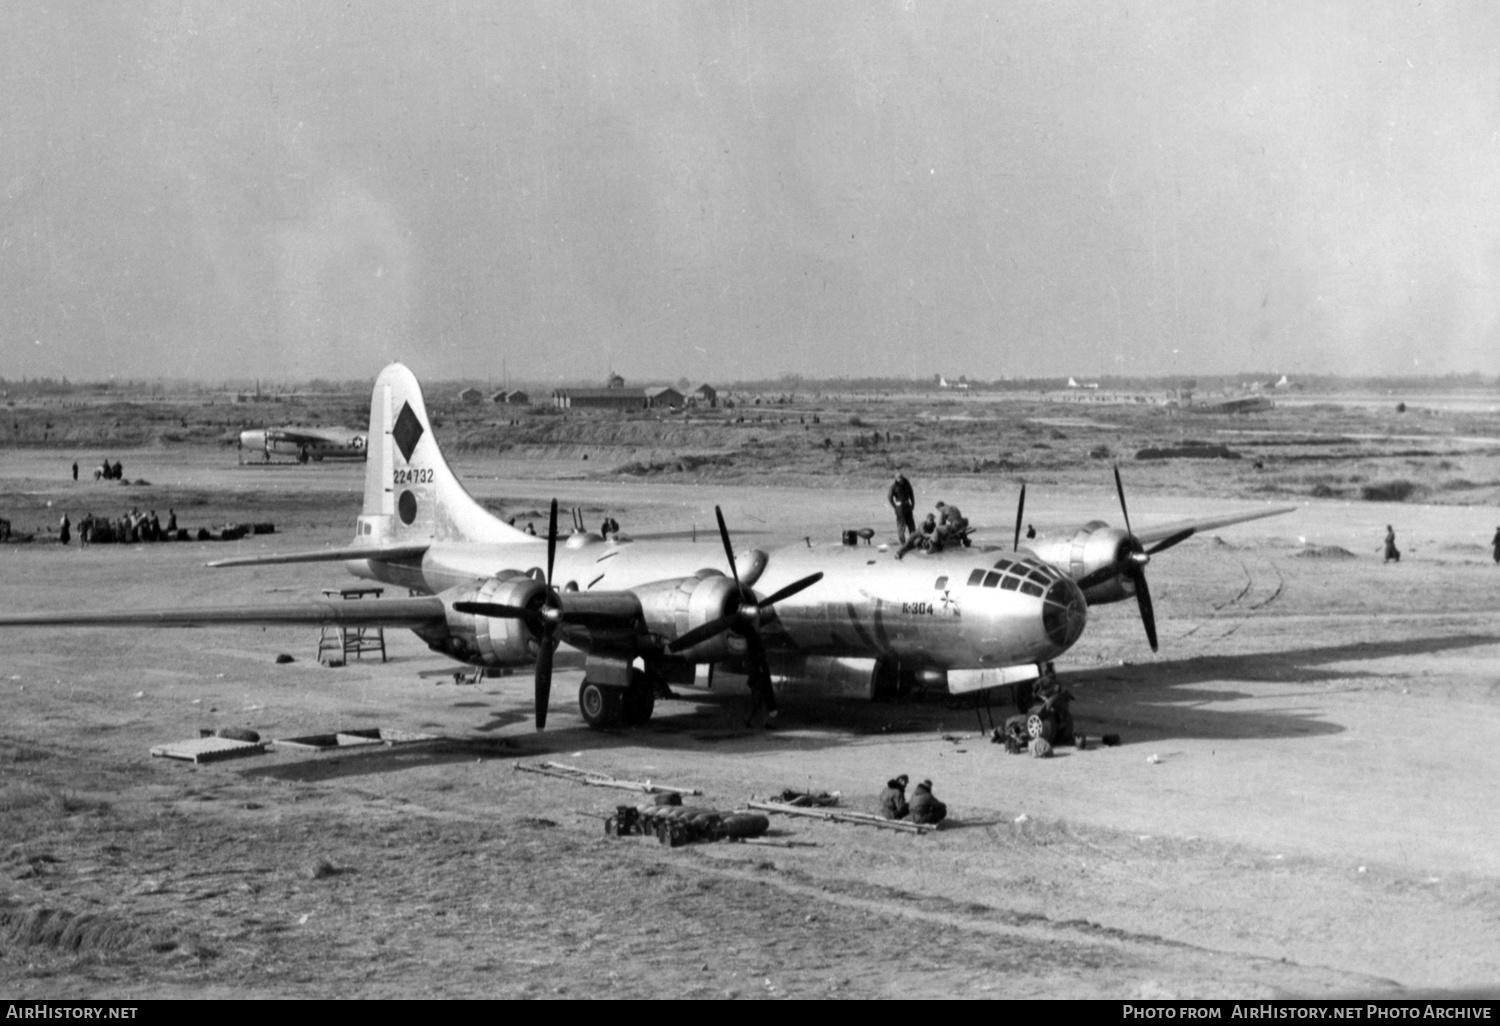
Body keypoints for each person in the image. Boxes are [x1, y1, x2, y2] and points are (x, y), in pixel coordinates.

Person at [887, 472, 916, 543]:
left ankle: (914, 541)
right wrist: (895, 506)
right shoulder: (893, 487)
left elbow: (911, 494)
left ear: (903, 479)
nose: (900, 480)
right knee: (901, 525)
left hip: (907, 506)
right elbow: (890, 497)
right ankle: (903, 542)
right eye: (898, 479)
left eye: (901, 479)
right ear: (896, 479)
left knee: (911, 524)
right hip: (899, 508)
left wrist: (913, 504)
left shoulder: (907, 484)